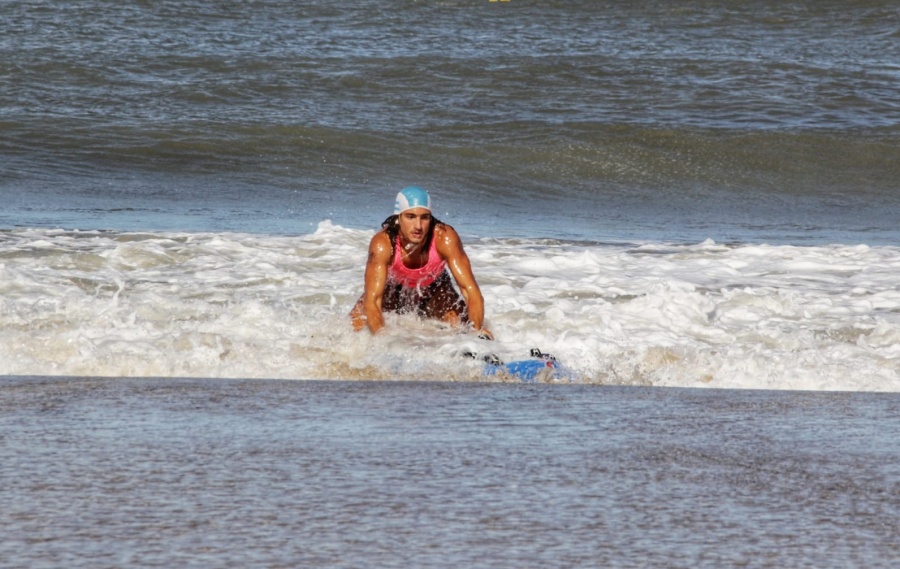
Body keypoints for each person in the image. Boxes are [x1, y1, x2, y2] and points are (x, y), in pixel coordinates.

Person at [350, 186, 493, 339]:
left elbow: (471, 292)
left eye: (424, 217)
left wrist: (476, 334)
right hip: (391, 290)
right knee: (355, 329)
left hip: (435, 290)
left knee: (467, 329)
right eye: (410, 217)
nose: (418, 226)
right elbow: (374, 300)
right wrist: (384, 343)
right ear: (398, 218)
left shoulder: (444, 238)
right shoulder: (383, 243)